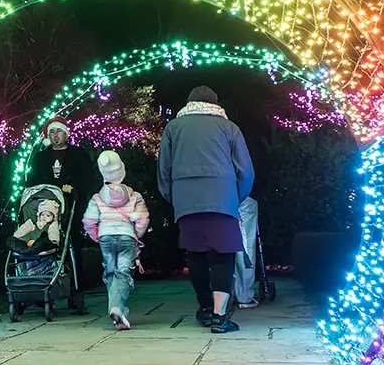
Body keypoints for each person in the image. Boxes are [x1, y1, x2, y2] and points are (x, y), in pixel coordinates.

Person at [157, 86, 254, 334]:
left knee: (196, 255)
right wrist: (234, 198)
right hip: (222, 197)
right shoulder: (229, 127)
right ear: (215, 103)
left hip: (186, 198)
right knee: (223, 255)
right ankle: (219, 317)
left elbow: (163, 169)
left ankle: (204, 308)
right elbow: (245, 170)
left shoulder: (173, 128)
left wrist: (174, 197)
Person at [25, 118, 102, 286]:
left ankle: (77, 284)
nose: (55, 136)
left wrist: (75, 189)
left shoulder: (79, 154)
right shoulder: (41, 157)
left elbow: (88, 178)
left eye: (58, 131)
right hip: (46, 206)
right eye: (51, 132)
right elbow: (32, 180)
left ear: (66, 133)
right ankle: (40, 279)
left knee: (72, 241)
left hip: (71, 205)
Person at [83, 150, 150, 331]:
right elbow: (143, 218)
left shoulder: (97, 198)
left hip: (106, 237)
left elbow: (89, 221)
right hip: (127, 237)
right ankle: (118, 308)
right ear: (122, 171)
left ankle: (117, 308)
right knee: (123, 272)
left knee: (111, 273)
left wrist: (97, 235)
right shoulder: (134, 195)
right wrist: (136, 233)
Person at [233, 196, 260, 309]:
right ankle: (244, 295)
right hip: (238, 200)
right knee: (244, 248)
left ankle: (222, 293)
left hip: (212, 200)